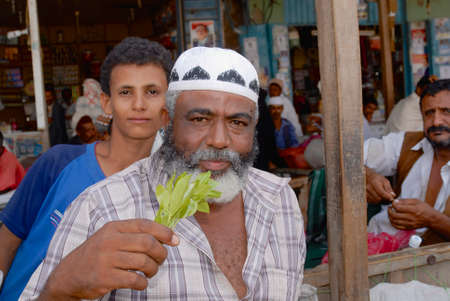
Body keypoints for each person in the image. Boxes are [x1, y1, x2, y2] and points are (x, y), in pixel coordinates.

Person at [20, 47, 306, 300]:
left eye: (237, 123)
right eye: (199, 119)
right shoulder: (102, 207)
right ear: (167, 121)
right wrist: (59, 289)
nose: (219, 140)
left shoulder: (278, 201)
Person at [0, 37, 172, 300]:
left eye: (151, 91)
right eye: (125, 92)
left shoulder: (168, 191)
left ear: (167, 105)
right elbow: (8, 241)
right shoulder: (58, 163)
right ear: (106, 102)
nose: (139, 104)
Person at [364, 79, 450, 245]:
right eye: (429, 113)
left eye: (446, 111)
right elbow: (346, 156)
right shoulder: (407, 143)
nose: (436, 121)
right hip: (379, 252)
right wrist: (367, 176)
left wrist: (432, 219)